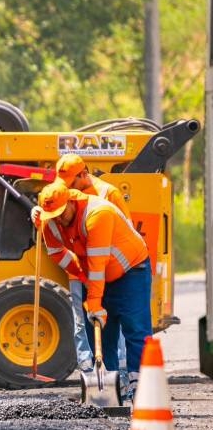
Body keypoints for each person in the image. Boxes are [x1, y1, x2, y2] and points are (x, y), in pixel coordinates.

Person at [36, 181, 152, 403]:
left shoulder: (99, 213)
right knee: (99, 331)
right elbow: (56, 252)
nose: (58, 219)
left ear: (71, 201)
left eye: (61, 213)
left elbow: (98, 263)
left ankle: (140, 386)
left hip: (130, 271)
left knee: (135, 327)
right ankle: (110, 387)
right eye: (53, 215)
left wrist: (95, 302)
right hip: (96, 274)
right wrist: (80, 274)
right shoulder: (50, 219)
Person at [34, 153, 132, 387]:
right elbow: (48, 211)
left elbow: (126, 232)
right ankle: (89, 374)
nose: (66, 189)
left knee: (112, 318)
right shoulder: (60, 192)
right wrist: (37, 214)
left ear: (84, 175)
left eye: (69, 184)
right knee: (82, 319)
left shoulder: (108, 194)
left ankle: (119, 374)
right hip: (79, 269)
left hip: (109, 270)